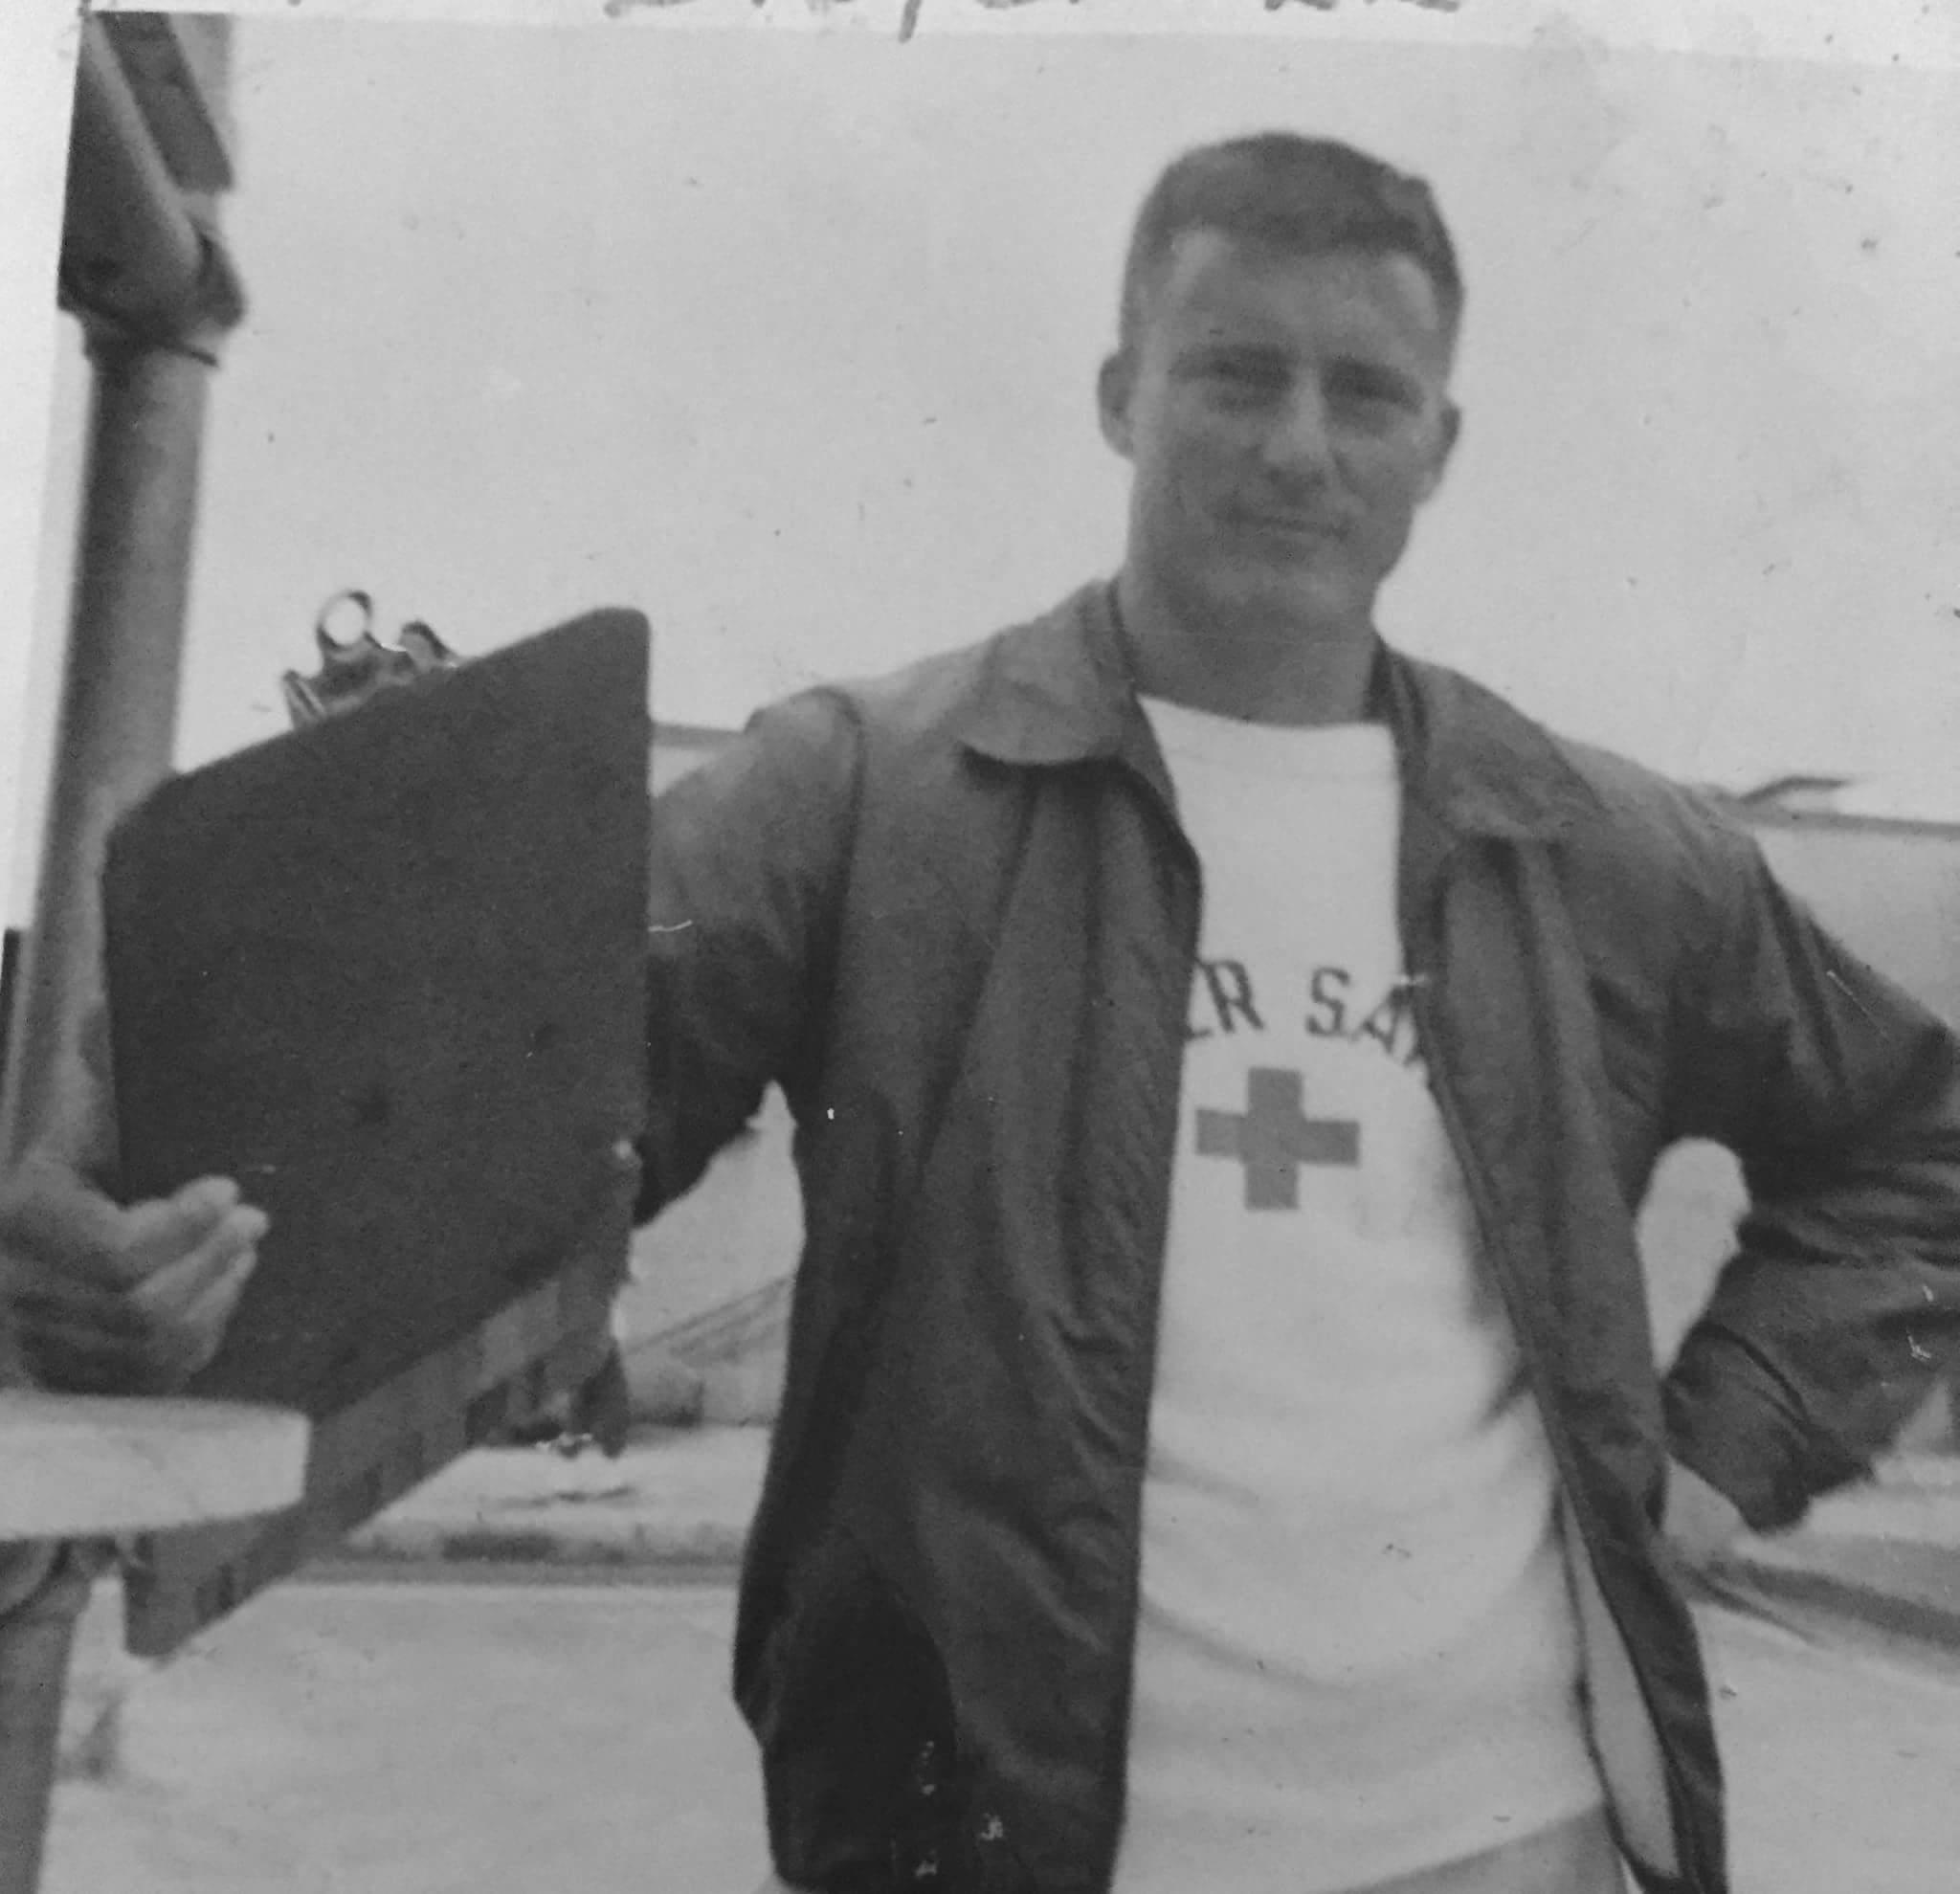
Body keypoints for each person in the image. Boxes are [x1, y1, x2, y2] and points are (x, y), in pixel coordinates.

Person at [9, 133, 1958, 1894]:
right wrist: (137, 1251)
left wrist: (1721, 1446)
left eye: (1365, 392)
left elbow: (1912, 1134)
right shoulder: (866, 792)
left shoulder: (1595, 846)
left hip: (1507, 1836)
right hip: (993, 1855)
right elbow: (487, 1113)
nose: (1299, 442)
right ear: (1121, 395)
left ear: (1439, 444)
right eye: (1232, 371)